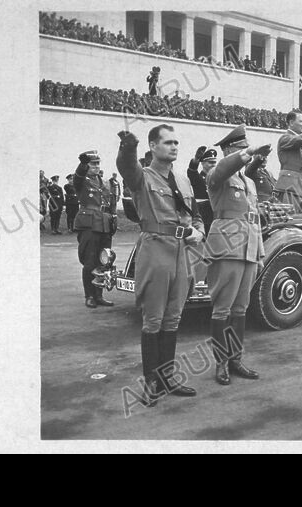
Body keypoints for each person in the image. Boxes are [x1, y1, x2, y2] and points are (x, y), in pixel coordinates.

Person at [116, 125, 204, 402]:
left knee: (173, 317)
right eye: (168, 142)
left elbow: (196, 214)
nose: (174, 147)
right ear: (153, 146)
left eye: (177, 142)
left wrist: (198, 231)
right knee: (153, 319)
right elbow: (126, 166)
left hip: (181, 252)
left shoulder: (182, 180)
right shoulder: (142, 177)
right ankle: (151, 382)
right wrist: (128, 145)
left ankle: (167, 377)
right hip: (155, 249)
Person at [205, 125, 271, 385]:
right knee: (222, 309)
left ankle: (235, 358)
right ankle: (220, 362)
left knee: (241, 308)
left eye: (247, 148)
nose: (247, 152)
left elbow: (254, 218)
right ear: (230, 151)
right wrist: (246, 155)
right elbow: (222, 169)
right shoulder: (217, 175)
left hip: (249, 249)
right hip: (227, 248)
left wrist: (261, 252)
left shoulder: (250, 182)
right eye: (242, 149)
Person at [73, 150, 115, 309]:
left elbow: (109, 203)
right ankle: (89, 296)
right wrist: (82, 164)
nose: (96, 166)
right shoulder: (82, 181)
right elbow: (78, 176)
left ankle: (99, 295)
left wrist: (113, 219)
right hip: (89, 224)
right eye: (93, 164)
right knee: (90, 262)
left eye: (98, 163)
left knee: (104, 261)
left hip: (104, 223)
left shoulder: (104, 182)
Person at [187, 146, 215, 227]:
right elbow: (192, 171)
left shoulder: (216, 179)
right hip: (203, 218)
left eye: (214, 162)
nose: (213, 165)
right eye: (210, 162)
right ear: (202, 163)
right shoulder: (198, 178)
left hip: (215, 218)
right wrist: (196, 159)